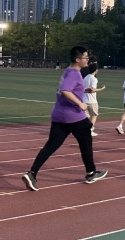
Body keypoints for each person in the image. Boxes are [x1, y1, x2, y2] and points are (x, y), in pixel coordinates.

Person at [22, 46, 107, 191]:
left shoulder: (68, 70)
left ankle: (32, 173)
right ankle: (91, 173)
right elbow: (65, 90)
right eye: (85, 57)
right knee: (86, 141)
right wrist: (80, 103)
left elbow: (69, 88)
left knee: (51, 145)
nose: (88, 59)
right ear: (78, 59)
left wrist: (83, 90)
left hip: (58, 114)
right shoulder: (74, 73)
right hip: (73, 116)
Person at [83, 62, 106, 137]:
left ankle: (81, 129)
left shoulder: (85, 77)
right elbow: (92, 89)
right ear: (95, 70)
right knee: (94, 115)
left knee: (85, 117)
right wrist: (101, 89)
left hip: (84, 99)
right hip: (92, 100)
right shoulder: (94, 79)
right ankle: (90, 130)